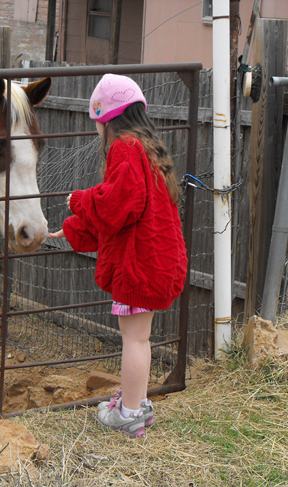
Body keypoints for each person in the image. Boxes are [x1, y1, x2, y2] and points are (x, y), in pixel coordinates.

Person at [48, 74, 187, 438]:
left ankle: (128, 414)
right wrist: (76, 227)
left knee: (135, 339)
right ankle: (137, 405)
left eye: (97, 122)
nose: (97, 130)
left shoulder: (124, 147)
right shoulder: (148, 148)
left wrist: (80, 200)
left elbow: (117, 205)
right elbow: (126, 215)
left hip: (139, 265)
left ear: (106, 118)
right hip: (154, 258)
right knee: (140, 337)